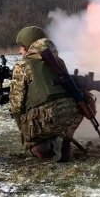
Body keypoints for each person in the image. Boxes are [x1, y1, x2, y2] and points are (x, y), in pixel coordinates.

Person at [9, 26, 84, 162]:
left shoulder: (22, 67)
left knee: (33, 143)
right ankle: (62, 141)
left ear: (27, 45)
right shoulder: (58, 61)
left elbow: (16, 107)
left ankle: (44, 149)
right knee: (54, 124)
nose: (19, 51)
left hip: (47, 118)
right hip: (71, 115)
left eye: (21, 46)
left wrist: (25, 133)